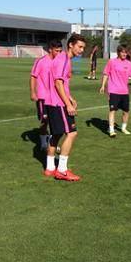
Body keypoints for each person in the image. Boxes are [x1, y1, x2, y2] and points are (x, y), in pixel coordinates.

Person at [45, 34, 86, 181]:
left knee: (56, 134)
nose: (81, 50)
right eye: (79, 47)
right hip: (58, 103)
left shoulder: (61, 58)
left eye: (83, 48)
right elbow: (58, 83)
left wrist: (70, 97)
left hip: (52, 101)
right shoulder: (63, 59)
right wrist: (67, 104)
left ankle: (50, 168)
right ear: (71, 45)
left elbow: (61, 83)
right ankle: (62, 170)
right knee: (72, 133)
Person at [29, 40, 62, 151]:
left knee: (55, 121)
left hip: (56, 97)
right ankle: (43, 143)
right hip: (43, 96)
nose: (58, 53)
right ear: (50, 50)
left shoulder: (59, 62)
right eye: (56, 51)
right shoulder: (41, 61)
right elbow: (33, 76)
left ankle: (52, 143)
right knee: (45, 120)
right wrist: (33, 92)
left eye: (60, 51)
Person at [101, 45, 131, 138]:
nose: (124, 54)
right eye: (122, 52)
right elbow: (106, 74)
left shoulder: (129, 63)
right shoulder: (112, 62)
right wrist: (103, 86)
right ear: (118, 52)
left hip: (125, 91)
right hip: (113, 90)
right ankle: (111, 130)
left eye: (126, 52)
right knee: (112, 110)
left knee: (126, 111)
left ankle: (123, 128)